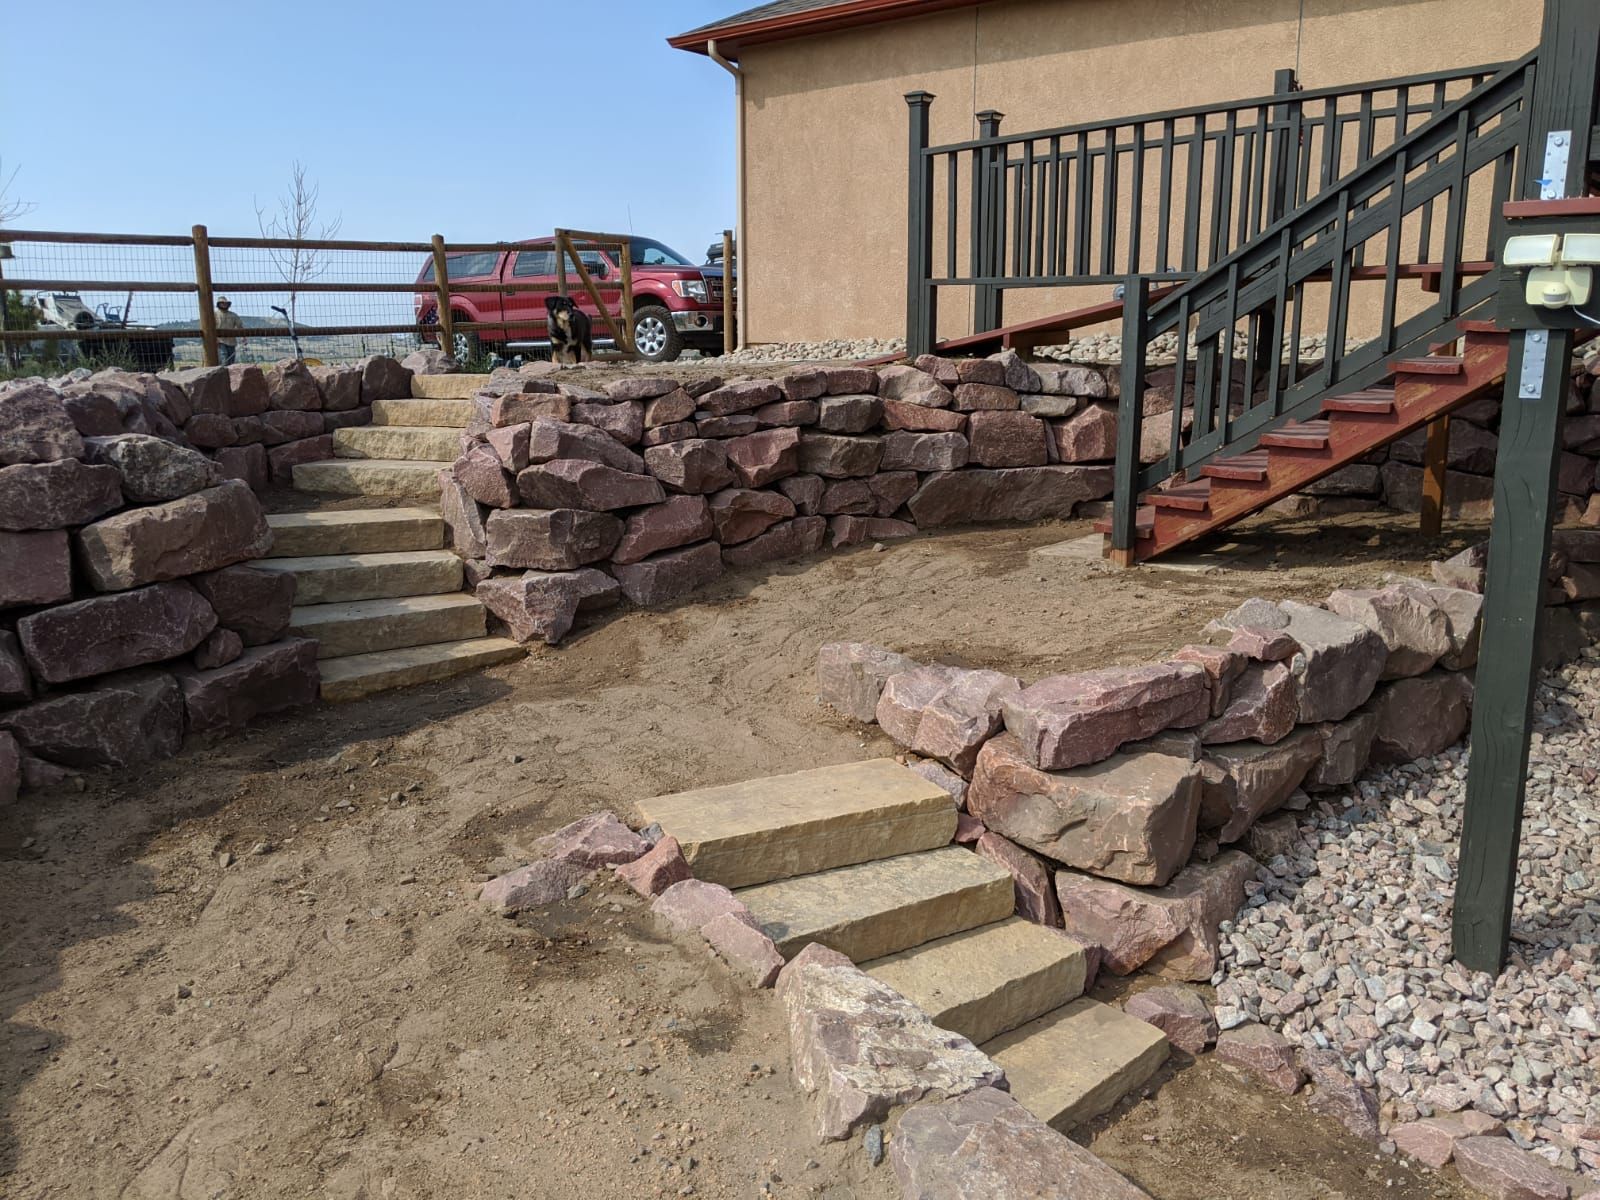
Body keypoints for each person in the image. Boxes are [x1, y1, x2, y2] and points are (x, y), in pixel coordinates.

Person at [215, 297, 243, 365]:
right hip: (220, 340)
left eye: (225, 303)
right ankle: (223, 373)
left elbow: (240, 326)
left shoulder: (233, 315)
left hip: (231, 341)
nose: (224, 305)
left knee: (231, 360)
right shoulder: (214, 315)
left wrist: (243, 337)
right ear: (219, 304)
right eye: (222, 303)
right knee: (224, 358)